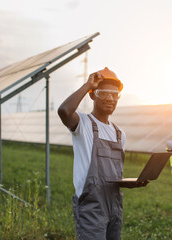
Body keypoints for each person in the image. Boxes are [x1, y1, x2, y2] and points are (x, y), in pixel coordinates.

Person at [58, 67, 147, 240]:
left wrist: (131, 183)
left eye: (115, 95)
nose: (110, 99)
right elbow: (64, 111)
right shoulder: (83, 124)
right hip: (91, 206)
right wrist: (87, 85)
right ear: (92, 95)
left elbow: (113, 177)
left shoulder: (119, 133)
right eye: (104, 93)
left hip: (114, 206)